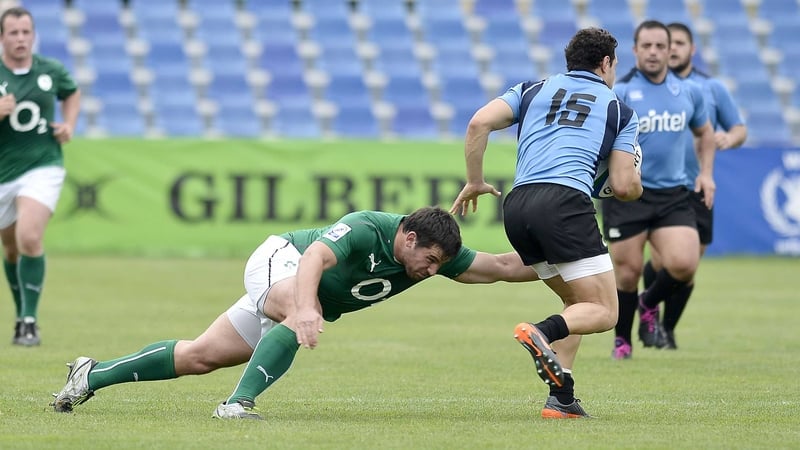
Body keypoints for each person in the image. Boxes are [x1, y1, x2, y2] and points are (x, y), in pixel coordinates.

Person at [51, 206, 541, 419]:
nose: (433, 271)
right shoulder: (367, 228)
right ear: (409, 238)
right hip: (279, 259)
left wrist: (570, 259)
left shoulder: (435, 254)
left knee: (201, 355)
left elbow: (500, 266)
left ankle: (90, 375)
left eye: (439, 265)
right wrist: (306, 308)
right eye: (429, 260)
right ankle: (235, 406)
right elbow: (314, 259)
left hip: (297, 288)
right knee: (295, 313)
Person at [450, 27, 642, 419]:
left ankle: (561, 398)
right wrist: (636, 177)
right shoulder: (619, 110)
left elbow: (477, 124)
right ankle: (541, 332)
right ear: (606, 63)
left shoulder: (531, 90)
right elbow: (623, 187)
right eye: (615, 66)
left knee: (576, 302)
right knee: (606, 311)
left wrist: (474, 181)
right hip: (565, 202)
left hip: (518, 205)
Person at [603, 20, 716, 359]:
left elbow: (706, 134)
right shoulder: (620, 93)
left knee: (685, 263)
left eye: (659, 46)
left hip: (673, 194)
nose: (653, 52)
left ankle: (647, 304)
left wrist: (707, 174)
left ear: (671, 51)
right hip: (628, 194)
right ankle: (622, 341)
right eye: (646, 46)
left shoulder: (690, 92)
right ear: (635, 51)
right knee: (628, 271)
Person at [637, 22, 748, 350]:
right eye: (668, 44)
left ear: (691, 49)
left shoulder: (711, 88)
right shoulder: (645, 87)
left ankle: (667, 329)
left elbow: (739, 128)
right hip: (661, 189)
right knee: (662, 262)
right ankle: (650, 316)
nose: (671, 50)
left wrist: (730, 137)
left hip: (697, 186)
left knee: (687, 268)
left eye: (679, 44)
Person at [0, 7, 81, 346]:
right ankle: (22, 315)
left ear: (33, 35)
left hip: (43, 164)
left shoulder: (51, 70)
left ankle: (30, 321)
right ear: (2, 37)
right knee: (11, 247)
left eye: (25, 32)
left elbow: (72, 93)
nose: (20, 38)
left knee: (29, 237)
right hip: (4, 171)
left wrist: (69, 125)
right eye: (13, 33)